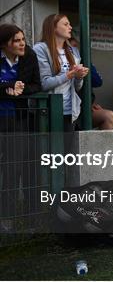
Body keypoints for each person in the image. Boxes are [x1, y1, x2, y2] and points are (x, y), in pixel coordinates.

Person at [0, 24, 41, 227]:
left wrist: (21, 89)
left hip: (17, 121)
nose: (22, 43)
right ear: (4, 43)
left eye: (23, 38)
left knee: (13, 169)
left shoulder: (29, 56)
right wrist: (7, 87)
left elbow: (37, 84)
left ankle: (9, 218)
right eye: (16, 40)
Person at [34, 14, 88, 143]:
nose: (70, 27)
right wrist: (69, 74)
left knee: (66, 153)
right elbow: (44, 83)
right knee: (48, 153)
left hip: (70, 110)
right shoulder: (40, 49)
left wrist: (79, 77)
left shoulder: (73, 50)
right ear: (53, 28)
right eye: (66, 24)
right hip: (47, 110)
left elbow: (76, 87)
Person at [68, 38, 113, 130]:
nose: (74, 51)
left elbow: (98, 82)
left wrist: (86, 63)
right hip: (68, 108)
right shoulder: (61, 62)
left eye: (75, 48)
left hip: (84, 107)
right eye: (71, 48)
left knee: (108, 116)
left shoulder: (82, 61)